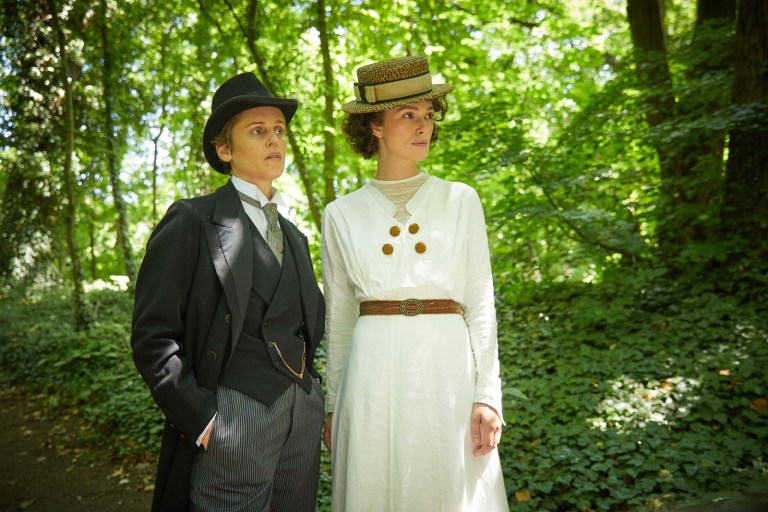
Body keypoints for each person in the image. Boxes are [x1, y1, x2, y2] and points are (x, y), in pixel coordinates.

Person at [321, 56, 509, 511]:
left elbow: (480, 301)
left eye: (427, 114)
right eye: (407, 115)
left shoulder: (460, 200)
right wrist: (333, 404)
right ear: (375, 127)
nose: (423, 125)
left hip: (447, 369)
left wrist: (488, 395)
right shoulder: (340, 214)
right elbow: (339, 317)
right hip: (370, 375)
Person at [131, 72, 325, 512]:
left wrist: (312, 392)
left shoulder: (295, 236)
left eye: (279, 130)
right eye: (257, 130)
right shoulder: (192, 220)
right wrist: (200, 418)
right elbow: (152, 335)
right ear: (225, 150)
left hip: (301, 415)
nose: (274, 139)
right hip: (233, 421)